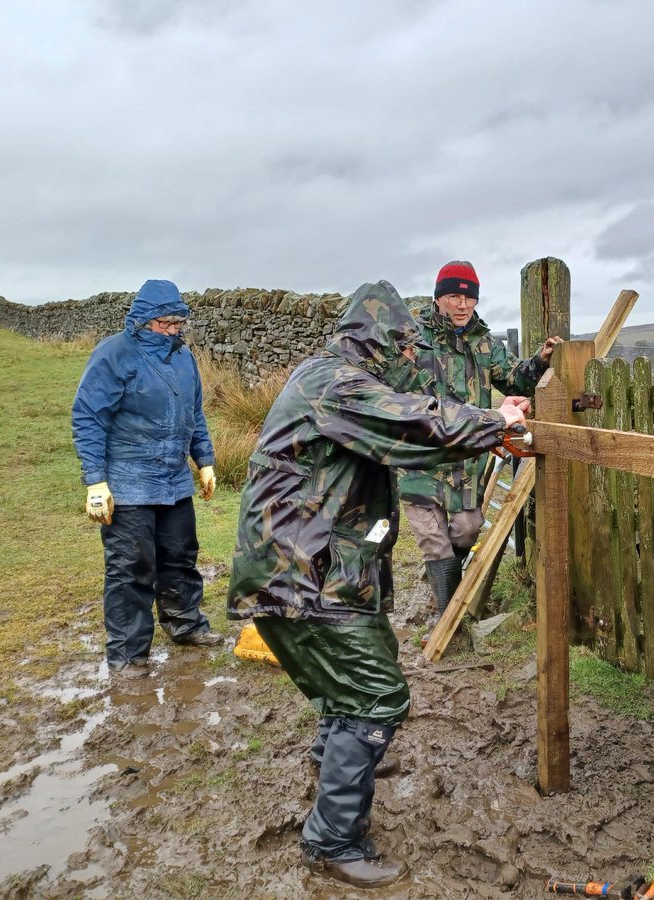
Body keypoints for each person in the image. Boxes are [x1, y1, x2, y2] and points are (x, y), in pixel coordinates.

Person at [227, 280, 529, 889]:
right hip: (303, 579)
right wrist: (495, 418)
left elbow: (407, 446)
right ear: (381, 342)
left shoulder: (335, 382)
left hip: (321, 572)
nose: (414, 358)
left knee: (361, 676)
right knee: (376, 695)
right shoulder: (336, 384)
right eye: (407, 346)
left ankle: (338, 770)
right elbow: (412, 424)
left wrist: (484, 429)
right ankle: (333, 839)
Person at [72, 278, 223, 680]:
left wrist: (203, 459)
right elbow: (89, 417)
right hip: (128, 480)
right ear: (143, 320)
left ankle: (185, 624)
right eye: (166, 323)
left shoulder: (183, 358)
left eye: (178, 323)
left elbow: (195, 412)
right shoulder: (114, 354)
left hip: (174, 479)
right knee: (131, 566)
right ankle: (127, 654)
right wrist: (96, 481)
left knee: (180, 555)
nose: (174, 330)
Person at [398, 260, 561, 628]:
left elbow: (514, 380)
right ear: (438, 298)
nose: (462, 305)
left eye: (469, 297)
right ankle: (447, 621)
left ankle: (444, 584)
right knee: (433, 538)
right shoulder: (413, 338)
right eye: (454, 296)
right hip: (421, 456)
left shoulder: (484, 342)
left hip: (467, 461)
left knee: (467, 529)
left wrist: (539, 361)